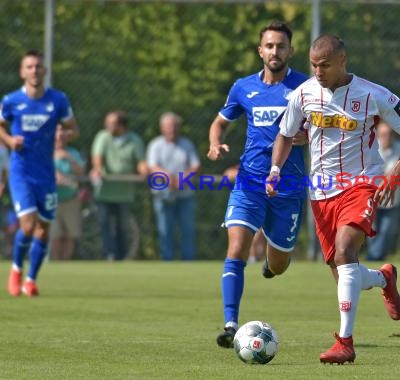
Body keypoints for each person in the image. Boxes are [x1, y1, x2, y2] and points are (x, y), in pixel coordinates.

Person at [267, 35, 400, 364]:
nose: (318, 71)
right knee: (343, 270)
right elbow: (284, 134)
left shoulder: (373, 94)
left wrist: (395, 171)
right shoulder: (304, 93)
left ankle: (345, 343)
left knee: (344, 252)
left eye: (324, 65)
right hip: (321, 191)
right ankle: (384, 278)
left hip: (362, 183)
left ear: (343, 61)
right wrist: (275, 169)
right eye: (313, 65)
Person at [207, 21, 309, 348]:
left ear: (290, 51)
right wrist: (214, 143)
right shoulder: (243, 87)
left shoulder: (305, 87)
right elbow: (220, 122)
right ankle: (230, 323)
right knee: (235, 248)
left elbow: (319, 130)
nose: (275, 51)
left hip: (288, 186)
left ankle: (271, 263)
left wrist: (303, 137)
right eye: (269, 45)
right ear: (260, 50)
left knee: (279, 265)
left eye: (281, 46)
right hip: (249, 182)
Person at [0, 49, 79, 296]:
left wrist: (65, 135)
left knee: (43, 229)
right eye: (30, 66)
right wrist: (10, 141)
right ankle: (15, 270)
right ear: (22, 72)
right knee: (27, 224)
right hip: (21, 172)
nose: (34, 70)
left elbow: (73, 129)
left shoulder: (58, 100)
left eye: (38, 66)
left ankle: (31, 279)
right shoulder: (12, 100)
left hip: (46, 173)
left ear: (44, 71)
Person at [90, 110, 147, 261]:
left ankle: (122, 257)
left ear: (121, 125)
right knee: (104, 224)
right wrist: (99, 169)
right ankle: (109, 254)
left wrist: (144, 171)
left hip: (124, 192)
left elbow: (141, 161)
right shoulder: (103, 136)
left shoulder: (134, 140)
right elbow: (97, 158)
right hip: (104, 192)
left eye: (112, 124)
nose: (107, 126)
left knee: (123, 226)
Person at [147, 112, 201, 261]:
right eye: (169, 127)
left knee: (187, 231)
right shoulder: (155, 145)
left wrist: (183, 179)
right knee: (165, 231)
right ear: (162, 128)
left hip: (185, 196)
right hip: (163, 196)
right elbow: (152, 167)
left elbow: (195, 166)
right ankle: (167, 261)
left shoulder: (187, 144)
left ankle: (188, 262)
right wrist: (168, 178)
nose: (172, 130)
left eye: (175, 126)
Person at [366, 122, 400, 261]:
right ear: (378, 134)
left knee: (388, 231)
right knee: (370, 232)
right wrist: (391, 174)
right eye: (384, 134)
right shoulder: (370, 147)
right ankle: (375, 258)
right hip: (372, 199)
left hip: (392, 200)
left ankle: (375, 258)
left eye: (390, 133)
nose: (387, 137)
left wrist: (389, 174)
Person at [50, 124, 86, 260]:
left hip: (70, 198)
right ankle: (56, 261)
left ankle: (65, 261)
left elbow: (81, 172)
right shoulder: (45, 152)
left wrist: (68, 158)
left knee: (70, 233)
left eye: (62, 132)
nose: (59, 136)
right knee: (55, 234)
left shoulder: (73, 153)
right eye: (56, 132)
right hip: (51, 200)